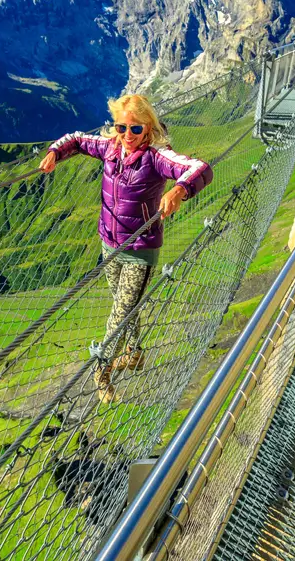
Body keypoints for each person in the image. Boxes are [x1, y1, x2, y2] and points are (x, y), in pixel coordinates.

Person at [39, 94, 213, 403]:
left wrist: (179, 189)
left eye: (135, 129)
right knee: (124, 306)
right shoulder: (110, 147)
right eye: (122, 127)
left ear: (149, 128)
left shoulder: (158, 156)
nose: (127, 136)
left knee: (120, 313)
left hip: (140, 249)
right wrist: (55, 152)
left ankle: (101, 370)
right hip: (109, 243)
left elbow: (200, 167)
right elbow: (77, 139)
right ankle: (133, 354)